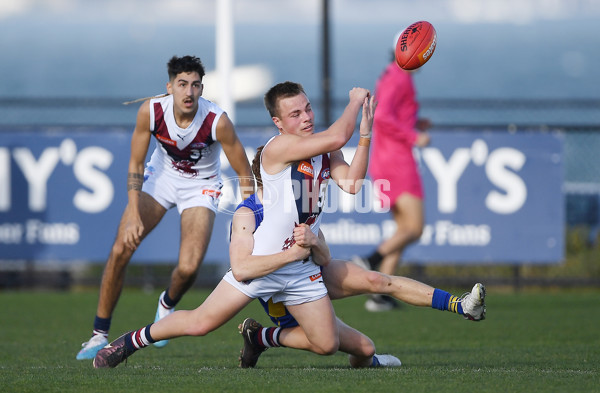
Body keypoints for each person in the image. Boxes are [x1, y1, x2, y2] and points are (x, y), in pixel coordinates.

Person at [92, 81, 402, 369]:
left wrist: (365, 134)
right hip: (263, 262)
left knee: (327, 344)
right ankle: (130, 341)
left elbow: (351, 184)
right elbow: (336, 136)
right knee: (201, 323)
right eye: (295, 113)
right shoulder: (280, 147)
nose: (306, 117)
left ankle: (259, 338)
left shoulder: (320, 149)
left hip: (297, 269)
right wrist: (354, 101)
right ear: (278, 123)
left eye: (307, 108)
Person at [235, 145, 485, 368]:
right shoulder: (251, 212)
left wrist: (313, 242)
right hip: (283, 294)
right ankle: (259, 337)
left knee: (378, 281)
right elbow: (242, 269)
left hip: (310, 275)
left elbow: (324, 257)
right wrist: (288, 258)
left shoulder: (296, 205)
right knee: (362, 349)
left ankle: (462, 306)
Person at [76, 55, 254, 360]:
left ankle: (167, 303)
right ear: (169, 86)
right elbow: (135, 162)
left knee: (188, 268)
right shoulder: (152, 111)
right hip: (161, 179)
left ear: (202, 88)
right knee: (121, 248)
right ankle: (97, 335)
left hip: (202, 185)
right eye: (182, 84)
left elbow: (245, 174)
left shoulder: (216, 121)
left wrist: (251, 215)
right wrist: (133, 212)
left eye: (195, 85)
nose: (189, 92)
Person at [353, 33, 433, 312]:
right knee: (415, 227)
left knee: (403, 228)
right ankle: (370, 261)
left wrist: (415, 121)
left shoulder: (391, 75)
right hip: (397, 161)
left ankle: (380, 294)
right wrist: (413, 136)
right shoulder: (400, 78)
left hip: (385, 159)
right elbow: (384, 116)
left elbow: (390, 114)